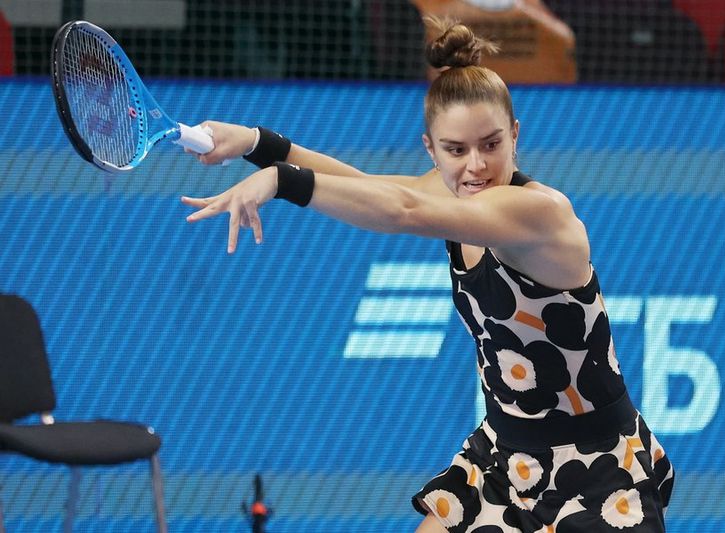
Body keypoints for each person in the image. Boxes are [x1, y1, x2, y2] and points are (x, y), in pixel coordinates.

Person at [182, 17, 674, 533]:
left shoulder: (539, 213)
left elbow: (402, 210)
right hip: (507, 459)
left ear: (515, 136)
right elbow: (370, 188)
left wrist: (281, 181)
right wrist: (256, 143)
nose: (476, 166)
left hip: (594, 470)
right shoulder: (453, 194)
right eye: (456, 150)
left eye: (491, 145)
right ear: (431, 150)